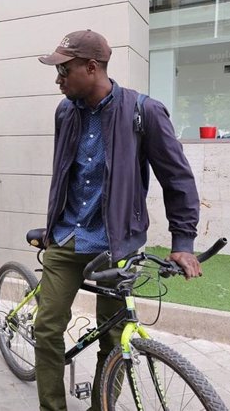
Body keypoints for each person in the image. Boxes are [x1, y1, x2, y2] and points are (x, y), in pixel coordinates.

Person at [35, 29, 202, 411]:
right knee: (45, 330)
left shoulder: (144, 111)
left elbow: (177, 178)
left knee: (113, 339)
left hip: (115, 247)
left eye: (64, 70)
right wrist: (52, 222)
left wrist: (183, 242)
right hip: (66, 240)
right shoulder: (65, 111)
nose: (58, 79)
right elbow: (64, 173)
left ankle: (102, 406)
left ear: (91, 68)